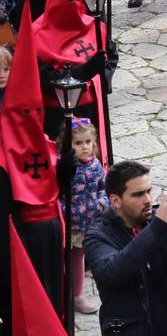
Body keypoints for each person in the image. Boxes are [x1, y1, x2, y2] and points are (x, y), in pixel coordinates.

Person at [84, 159, 167, 336]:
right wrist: (158, 227)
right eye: (138, 195)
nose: (148, 200)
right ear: (115, 200)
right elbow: (114, 272)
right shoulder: (98, 235)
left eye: (149, 191)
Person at [67, 119, 106, 315]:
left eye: (88, 142)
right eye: (78, 143)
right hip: (68, 223)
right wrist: (64, 210)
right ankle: (60, 295)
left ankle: (77, 296)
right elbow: (57, 193)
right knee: (62, 259)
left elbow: (103, 189)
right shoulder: (65, 166)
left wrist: (102, 203)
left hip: (86, 224)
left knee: (78, 258)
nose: (85, 147)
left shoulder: (96, 165)